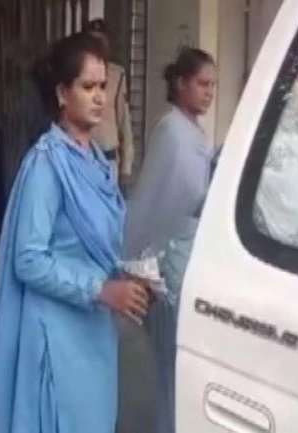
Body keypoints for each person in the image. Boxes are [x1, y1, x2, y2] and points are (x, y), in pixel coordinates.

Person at [0, 32, 150, 433]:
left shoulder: (97, 160)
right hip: (56, 336)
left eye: (102, 86)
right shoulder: (46, 165)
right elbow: (28, 259)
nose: (99, 97)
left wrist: (130, 281)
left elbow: (100, 247)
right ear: (61, 93)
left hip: (94, 331)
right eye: (88, 87)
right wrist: (100, 289)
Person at [123, 48, 216, 433]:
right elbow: (149, 202)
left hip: (190, 259)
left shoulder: (196, 134)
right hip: (167, 263)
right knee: (170, 363)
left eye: (212, 86)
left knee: (187, 365)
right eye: (202, 84)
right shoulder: (171, 133)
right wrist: (140, 264)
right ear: (181, 83)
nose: (209, 93)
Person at [85, 18, 135, 188]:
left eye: (101, 42)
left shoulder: (116, 75)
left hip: (108, 157)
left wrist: (126, 167)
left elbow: (123, 121)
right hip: (83, 156)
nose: (97, 47)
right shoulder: (76, 75)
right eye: (92, 42)